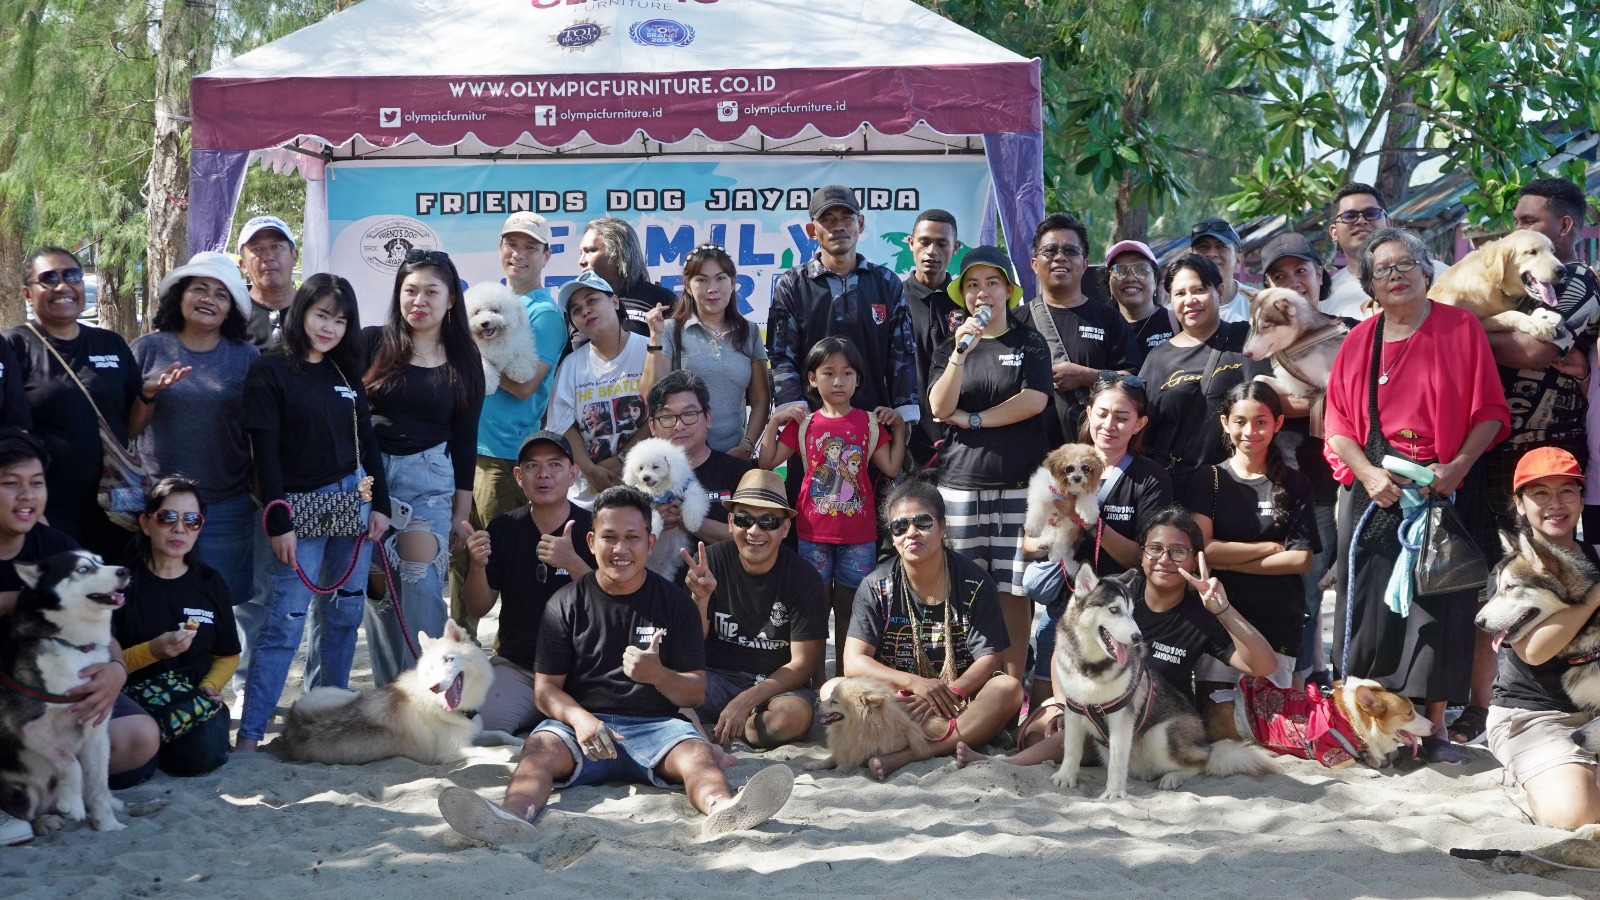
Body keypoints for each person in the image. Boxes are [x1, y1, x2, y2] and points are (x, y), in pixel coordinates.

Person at [437, 486, 795, 844]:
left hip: (658, 726)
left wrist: (658, 675)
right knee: (538, 748)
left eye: (632, 538)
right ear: (591, 541)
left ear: (650, 543)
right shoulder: (564, 603)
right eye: (609, 537)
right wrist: (580, 719)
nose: (620, 549)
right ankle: (512, 817)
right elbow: (545, 690)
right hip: (581, 728)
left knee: (698, 756)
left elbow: (695, 692)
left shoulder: (675, 603)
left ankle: (723, 810)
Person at [1325, 227, 1509, 765]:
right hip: (1376, 489)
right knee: (1372, 608)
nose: (1397, 275)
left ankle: (1436, 725)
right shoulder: (1360, 340)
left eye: (1406, 263)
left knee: (1440, 604)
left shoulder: (1460, 328)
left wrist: (1457, 468)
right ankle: (1376, 725)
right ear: (1369, 285)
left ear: (1428, 270)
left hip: (1443, 486)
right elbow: (1338, 425)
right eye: (1383, 269)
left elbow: (1489, 412)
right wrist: (1367, 475)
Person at [962, 506, 1276, 767]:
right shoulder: (1115, 592)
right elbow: (1064, 652)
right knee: (1040, 731)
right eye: (1155, 549)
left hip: (1154, 724)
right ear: (1142, 555)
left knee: (1077, 736)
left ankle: (999, 765)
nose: (1165, 559)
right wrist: (1062, 705)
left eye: (1178, 551)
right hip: (1092, 709)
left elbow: (1264, 665)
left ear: (1195, 559)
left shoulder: (1201, 615)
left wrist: (1223, 610)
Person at [1460, 177, 1600, 746]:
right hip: (1493, 447)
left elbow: (1537, 348)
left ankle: (1551, 696)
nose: (1516, 230)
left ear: (1564, 226)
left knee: (1557, 579)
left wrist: (1457, 334)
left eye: (1529, 221)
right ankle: (1482, 703)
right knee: (1496, 580)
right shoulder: (1511, 280)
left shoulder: (1578, 282)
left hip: (1554, 454)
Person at [236, 274, 391, 753]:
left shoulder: (345, 373)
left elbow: (368, 444)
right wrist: (278, 518)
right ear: (301, 311)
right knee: (284, 620)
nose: (330, 327)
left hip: (353, 502)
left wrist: (381, 506)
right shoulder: (270, 369)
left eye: (340, 320)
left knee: (344, 616)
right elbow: (265, 453)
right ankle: (250, 734)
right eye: (322, 314)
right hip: (298, 508)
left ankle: (328, 723)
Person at [0, 430, 158, 845]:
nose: (26, 495)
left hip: (61, 684)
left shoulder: (58, 547)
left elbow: (100, 627)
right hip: (12, 696)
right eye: (10, 483)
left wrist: (116, 670)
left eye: (36, 483)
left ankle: (42, 795)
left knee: (139, 739)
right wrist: (15, 600)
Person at [925, 246, 1051, 682]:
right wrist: (961, 353)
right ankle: (967, 683)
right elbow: (940, 407)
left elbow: (1034, 400)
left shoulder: (1029, 341)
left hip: (1019, 486)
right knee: (963, 590)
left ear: (1008, 291)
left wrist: (975, 419)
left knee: (1014, 591)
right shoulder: (951, 346)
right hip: (960, 486)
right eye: (973, 285)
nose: (982, 292)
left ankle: (1013, 686)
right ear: (963, 295)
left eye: (992, 283)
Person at [8, 247, 183, 561]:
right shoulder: (13, 346)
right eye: (49, 279)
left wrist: (147, 395)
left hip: (115, 502)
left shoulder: (110, 343)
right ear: (27, 293)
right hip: (50, 508)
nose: (63, 286)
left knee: (117, 584)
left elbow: (129, 429)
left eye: (72, 276)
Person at [360, 250, 485, 686]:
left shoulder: (465, 359)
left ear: (451, 300)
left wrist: (461, 514)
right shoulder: (371, 343)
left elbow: (466, 440)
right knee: (378, 592)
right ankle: (393, 694)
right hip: (367, 480)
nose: (419, 301)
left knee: (420, 582)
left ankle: (433, 689)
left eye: (432, 292)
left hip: (428, 480)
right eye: (410, 290)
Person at [843, 480, 1024, 780]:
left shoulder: (975, 583)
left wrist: (951, 693)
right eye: (900, 526)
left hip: (960, 703)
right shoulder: (876, 586)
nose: (911, 532)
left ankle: (913, 753)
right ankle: (931, 741)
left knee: (1008, 688)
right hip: (900, 702)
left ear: (943, 527)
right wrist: (916, 684)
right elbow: (853, 662)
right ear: (892, 537)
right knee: (834, 690)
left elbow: (990, 658)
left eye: (923, 522)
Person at [446, 212, 566, 641]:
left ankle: (510, 656)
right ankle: (457, 655)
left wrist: (475, 352)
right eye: (512, 244)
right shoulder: (485, 302)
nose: (519, 254)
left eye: (531, 246)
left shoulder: (545, 314)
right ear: (500, 249)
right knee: (461, 560)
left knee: (504, 563)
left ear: (546, 255)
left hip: (502, 458)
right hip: (463, 451)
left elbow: (526, 384)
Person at [759, 336, 906, 679]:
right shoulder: (803, 423)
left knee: (851, 610)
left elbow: (891, 467)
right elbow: (766, 462)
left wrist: (899, 427)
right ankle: (813, 683)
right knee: (815, 608)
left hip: (859, 536)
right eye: (828, 373)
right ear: (812, 378)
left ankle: (844, 681)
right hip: (812, 533)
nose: (838, 381)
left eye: (847, 373)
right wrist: (773, 422)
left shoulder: (869, 423)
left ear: (857, 379)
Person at [1024, 375, 1173, 702]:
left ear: (1139, 424)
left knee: (1106, 706)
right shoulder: (1063, 463)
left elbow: (1139, 558)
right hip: (1064, 606)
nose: (1109, 425)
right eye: (1102, 414)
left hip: (1119, 611)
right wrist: (1056, 535)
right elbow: (1028, 544)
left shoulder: (1150, 478)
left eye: (1122, 417)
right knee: (1048, 707)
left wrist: (1085, 522)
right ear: (1089, 413)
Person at [132, 252, 260, 611]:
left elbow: (259, 433)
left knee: (223, 609)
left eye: (221, 294)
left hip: (226, 505)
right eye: (199, 289)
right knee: (157, 607)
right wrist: (148, 394)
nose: (209, 299)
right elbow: (126, 429)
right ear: (180, 296)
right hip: (159, 506)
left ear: (231, 308)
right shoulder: (147, 349)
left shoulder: (247, 357)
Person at [1486, 448, 1600, 828]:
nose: (1555, 503)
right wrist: (1595, 594)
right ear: (1519, 504)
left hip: (1595, 711)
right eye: (1540, 493)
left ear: (1582, 498)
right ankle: (1532, 779)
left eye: (1567, 491)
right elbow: (1534, 651)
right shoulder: (1513, 571)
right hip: (1535, 717)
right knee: (1576, 818)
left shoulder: (1595, 557)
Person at [460, 431, 597, 735]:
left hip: (586, 670)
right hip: (521, 668)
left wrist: (573, 563)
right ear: (519, 476)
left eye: (555, 464)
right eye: (533, 466)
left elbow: (616, 604)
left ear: (573, 474)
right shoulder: (503, 527)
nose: (544, 474)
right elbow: (477, 607)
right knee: (482, 730)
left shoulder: (595, 528)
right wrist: (477, 566)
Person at [678, 469, 826, 750]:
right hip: (716, 677)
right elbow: (690, 647)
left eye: (768, 522)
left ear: (785, 528)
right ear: (730, 522)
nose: (754, 531)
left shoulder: (804, 577)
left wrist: (746, 701)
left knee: (793, 717)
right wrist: (700, 599)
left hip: (777, 685)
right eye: (744, 520)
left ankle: (731, 727)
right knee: (664, 688)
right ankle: (725, 724)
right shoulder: (709, 562)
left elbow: (802, 664)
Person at [1187, 381, 1318, 685]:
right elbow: (1204, 550)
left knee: (1271, 714)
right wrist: (1270, 548)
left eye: (1261, 422)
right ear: (1225, 423)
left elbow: (1300, 559)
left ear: (1278, 423)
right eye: (1240, 421)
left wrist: (1227, 561)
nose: (1250, 431)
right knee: (1218, 712)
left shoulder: (1295, 483)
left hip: (1277, 623)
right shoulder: (1208, 478)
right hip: (1220, 625)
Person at [1258, 231, 1343, 687]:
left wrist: (1300, 401)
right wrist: (1323, 400)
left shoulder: (1347, 329)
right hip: (1285, 485)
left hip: (1343, 482)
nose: (1291, 282)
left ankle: (1334, 678)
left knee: (1339, 588)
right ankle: (1306, 682)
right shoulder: (1262, 338)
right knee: (1303, 591)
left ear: (1319, 274)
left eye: (1300, 270)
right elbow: (1258, 400)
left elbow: (1364, 399)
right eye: (1279, 276)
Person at [766, 184, 921, 431]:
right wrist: (794, 414)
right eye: (827, 219)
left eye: (846, 217)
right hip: (811, 428)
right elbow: (782, 355)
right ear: (812, 230)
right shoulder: (792, 285)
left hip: (876, 427)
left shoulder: (886, 282)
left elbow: (902, 354)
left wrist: (903, 415)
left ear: (860, 223)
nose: (838, 226)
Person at [113, 477, 239, 778]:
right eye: (167, 517)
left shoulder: (210, 582)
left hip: (191, 698)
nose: (179, 528)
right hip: (132, 698)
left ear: (200, 527)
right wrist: (152, 651)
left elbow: (228, 654)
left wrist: (210, 686)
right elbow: (103, 665)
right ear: (146, 524)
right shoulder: (121, 583)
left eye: (191, 520)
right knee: (131, 772)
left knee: (199, 756)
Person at [1138, 254, 1269, 498]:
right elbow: (1145, 431)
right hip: (1178, 488)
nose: (1190, 300)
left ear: (1219, 292)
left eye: (1199, 290)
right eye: (1179, 294)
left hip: (1239, 487)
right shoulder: (1158, 358)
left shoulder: (1247, 340)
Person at [1014, 215, 1138, 445]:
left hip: (1090, 453)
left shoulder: (1109, 319)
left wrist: (1086, 376)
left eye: (1070, 251)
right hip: (1026, 453)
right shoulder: (1015, 321)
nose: (1060, 257)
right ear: (1034, 264)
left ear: (1084, 263)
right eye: (1050, 251)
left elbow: (1133, 382)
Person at [639, 244, 769, 456]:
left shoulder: (750, 332)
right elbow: (651, 394)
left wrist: (747, 446)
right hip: (682, 459)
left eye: (720, 278)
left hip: (734, 458)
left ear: (733, 282)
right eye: (701, 280)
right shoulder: (670, 330)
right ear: (687, 286)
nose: (712, 288)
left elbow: (761, 399)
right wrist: (655, 336)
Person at [544, 271, 651, 508]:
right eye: (576, 310)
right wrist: (590, 469)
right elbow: (562, 425)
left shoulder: (649, 350)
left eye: (592, 300)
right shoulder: (571, 365)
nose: (585, 311)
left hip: (647, 491)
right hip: (588, 499)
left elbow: (662, 414)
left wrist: (623, 458)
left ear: (614, 301)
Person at [646, 369, 751, 546]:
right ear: (652, 426)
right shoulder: (639, 479)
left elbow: (755, 536)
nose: (679, 426)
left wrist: (689, 519)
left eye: (689, 415)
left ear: (708, 418)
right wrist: (649, 524)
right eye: (667, 417)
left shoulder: (741, 475)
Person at [901, 209, 964, 466]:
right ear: (911, 243)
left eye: (942, 244)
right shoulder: (892, 300)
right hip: (904, 438)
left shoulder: (967, 303)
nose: (932, 251)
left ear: (956, 248)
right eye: (924, 242)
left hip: (961, 436)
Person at [578, 217, 677, 338]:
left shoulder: (660, 298)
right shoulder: (576, 304)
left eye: (590, 251)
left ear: (617, 254)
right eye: (581, 253)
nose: (581, 261)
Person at [1104, 239, 1175, 367]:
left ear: (1156, 280)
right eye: (1119, 270)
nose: (1130, 278)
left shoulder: (1177, 323)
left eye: (1141, 270)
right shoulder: (1101, 328)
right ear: (1108, 282)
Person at [238, 215, 299, 350]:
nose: (268, 257)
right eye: (257, 249)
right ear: (243, 265)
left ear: (294, 256)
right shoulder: (232, 317)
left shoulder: (316, 311)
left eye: (276, 246)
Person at [1189, 218, 1256, 323]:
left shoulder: (1259, 304)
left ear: (1238, 260)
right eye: (1203, 247)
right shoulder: (1178, 310)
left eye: (1221, 246)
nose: (1211, 254)